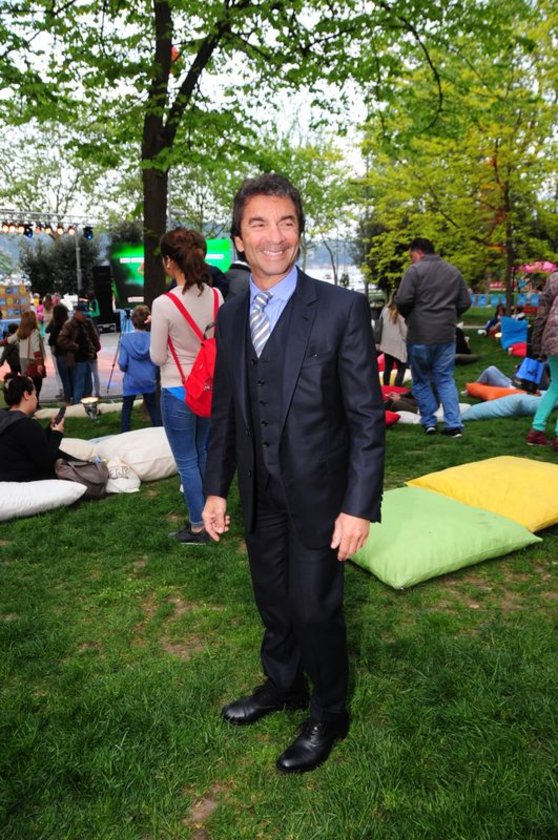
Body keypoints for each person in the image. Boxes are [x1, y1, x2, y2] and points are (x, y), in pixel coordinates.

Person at [202, 174, 385, 774]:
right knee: (274, 602)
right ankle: (284, 685)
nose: (274, 236)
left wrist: (358, 505)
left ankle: (330, 712)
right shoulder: (231, 316)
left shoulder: (340, 309)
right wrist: (215, 488)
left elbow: (366, 417)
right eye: (259, 224)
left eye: (286, 223)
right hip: (261, 494)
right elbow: (226, 411)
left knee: (314, 609)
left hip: (322, 497)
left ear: (300, 233)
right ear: (239, 239)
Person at [150, 227, 224, 544]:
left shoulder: (164, 304)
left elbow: (156, 357)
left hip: (177, 389)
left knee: (186, 461)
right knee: (203, 452)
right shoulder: (217, 296)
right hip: (208, 389)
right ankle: (212, 517)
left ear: (169, 261)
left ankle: (197, 526)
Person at [396, 237, 471, 437]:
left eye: (411, 256)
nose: (411, 260)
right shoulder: (453, 272)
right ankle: (453, 424)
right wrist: (451, 315)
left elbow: (402, 300)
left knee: (420, 380)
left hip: (419, 334)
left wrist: (410, 316)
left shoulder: (414, 271)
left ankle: (429, 421)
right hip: (446, 334)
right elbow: (465, 301)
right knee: (445, 379)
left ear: (419, 252)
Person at [0, 372, 66, 481]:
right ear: (26, 395)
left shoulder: (4, 416)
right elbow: (47, 462)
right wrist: (57, 434)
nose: (36, 399)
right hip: (23, 478)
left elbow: (31, 444)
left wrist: (50, 430)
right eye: (35, 394)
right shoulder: (26, 425)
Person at [526, 271, 558, 450]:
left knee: (555, 386)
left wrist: (536, 342)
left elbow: (542, 313)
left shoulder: (554, 279)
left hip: (552, 337)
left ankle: (536, 430)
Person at [118, 304, 161, 433]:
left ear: (133, 321)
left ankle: (124, 434)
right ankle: (159, 433)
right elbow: (157, 359)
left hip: (131, 380)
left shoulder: (126, 339)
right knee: (152, 408)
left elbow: (122, 362)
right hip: (149, 378)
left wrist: (125, 369)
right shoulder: (153, 338)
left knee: (127, 409)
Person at [57, 302, 100, 403]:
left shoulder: (86, 323)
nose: (85, 316)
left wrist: (95, 348)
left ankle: (88, 404)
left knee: (88, 384)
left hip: (87, 357)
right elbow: (61, 340)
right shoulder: (69, 324)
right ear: (77, 313)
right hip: (77, 359)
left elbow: (93, 336)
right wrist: (75, 346)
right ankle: (77, 404)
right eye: (83, 314)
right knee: (79, 383)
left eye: (86, 314)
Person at [3, 310, 47, 405]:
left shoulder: (20, 332)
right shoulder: (34, 332)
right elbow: (36, 348)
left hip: (23, 361)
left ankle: (27, 405)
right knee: (37, 385)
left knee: (28, 385)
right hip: (34, 361)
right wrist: (39, 363)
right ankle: (35, 405)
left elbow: (8, 340)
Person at [377, 296, 407, 386]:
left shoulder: (385, 310)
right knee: (401, 369)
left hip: (387, 345)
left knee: (388, 368)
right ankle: (397, 389)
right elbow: (404, 330)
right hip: (398, 345)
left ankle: (386, 388)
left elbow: (380, 324)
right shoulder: (400, 312)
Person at [47, 303, 72, 403]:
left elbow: (50, 340)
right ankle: (74, 395)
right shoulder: (70, 324)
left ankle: (67, 398)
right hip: (70, 353)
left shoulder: (57, 326)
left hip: (60, 354)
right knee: (71, 376)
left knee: (64, 378)